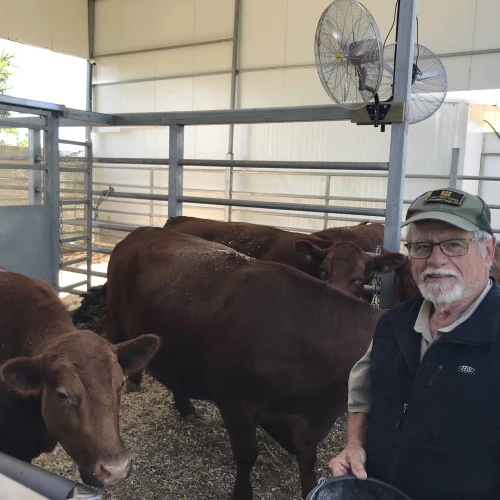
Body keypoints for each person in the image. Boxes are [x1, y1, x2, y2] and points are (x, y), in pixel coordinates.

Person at [329, 187, 500, 500]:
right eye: (422, 246)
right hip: (382, 489)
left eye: (453, 244)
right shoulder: (394, 322)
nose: (436, 260)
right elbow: (364, 389)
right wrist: (355, 444)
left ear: (488, 251)